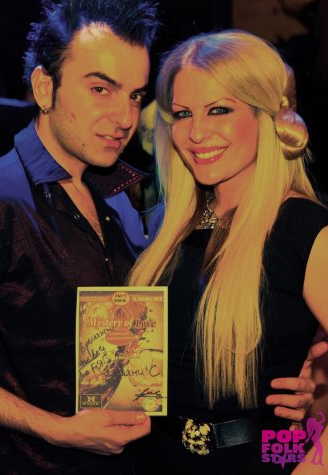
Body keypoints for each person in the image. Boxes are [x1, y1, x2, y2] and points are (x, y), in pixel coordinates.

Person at [0, 3, 323, 473]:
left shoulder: (121, 195)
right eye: (101, 88)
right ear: (45, 88)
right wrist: (56, 428)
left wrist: (308, 389)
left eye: (135, 95)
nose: (124, 117)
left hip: (171, 460)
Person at [128, 29, 328, 474]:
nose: (196, 133)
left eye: (219, 109)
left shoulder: (304, 229)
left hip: (261, 458)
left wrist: (312, 467)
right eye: (183, 114)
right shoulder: (166, 225)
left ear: (266, 115)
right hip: (154, 458)